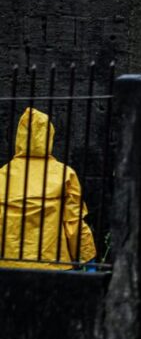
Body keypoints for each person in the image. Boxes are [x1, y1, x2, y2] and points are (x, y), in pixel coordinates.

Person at [0, 107, 97, 269]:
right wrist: (88, 258)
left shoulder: (3, 175)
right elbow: (73, 223)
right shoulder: (64, 174)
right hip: (53, 264)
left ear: (19, 137)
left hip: (7, 266)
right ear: (49, 137)